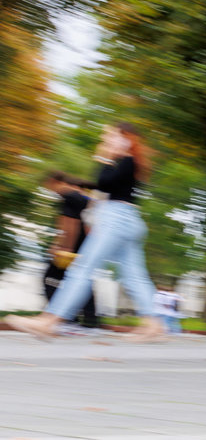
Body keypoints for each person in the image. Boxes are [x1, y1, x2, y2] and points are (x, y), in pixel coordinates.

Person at [4, 123, 165, 341]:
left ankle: (49, 321)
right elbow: (107, 187)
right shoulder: (132, 163)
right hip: (129, 220)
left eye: (109, 137)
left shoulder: (127, 161)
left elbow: (103, 184)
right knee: (134, 276)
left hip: (116, 220)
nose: (104, 142)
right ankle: (154, 324)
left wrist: (104, 158)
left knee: (82, 269)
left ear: (126, 139)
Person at [40, 171, 100, 331]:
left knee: (49, 279)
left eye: (48, 185)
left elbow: (70, 225)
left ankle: (65, 318)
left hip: (74, 249)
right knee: (81, 279)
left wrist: (63, 248)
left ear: (54, 181)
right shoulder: (83, 198)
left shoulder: (68, 196)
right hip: (87, 247)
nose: (49, 189)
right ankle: (90, 319)